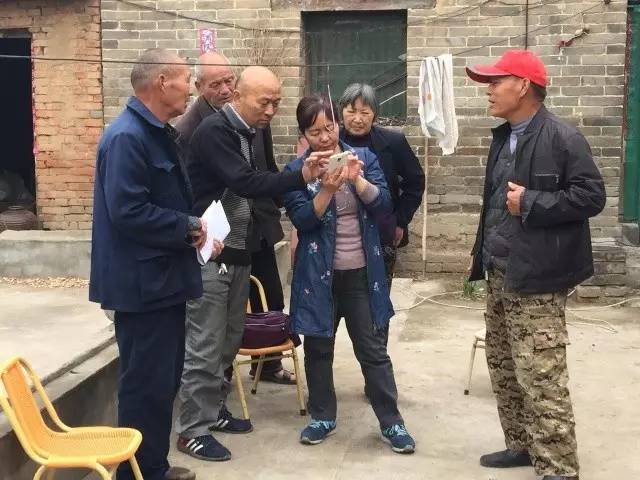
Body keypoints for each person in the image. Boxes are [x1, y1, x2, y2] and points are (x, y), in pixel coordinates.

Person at [466, 49, 606, 480]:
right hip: (500, 272)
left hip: (539, 279)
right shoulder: (502, 137)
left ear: (524, 86)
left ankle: (559, 468)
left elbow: (591, 196)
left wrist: (531, 202)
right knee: (504, 366)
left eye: (496, 82)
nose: (489, 90)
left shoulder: (563, 138)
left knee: (541, 376)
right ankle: (522, 446)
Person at [176, 66, 325, 461]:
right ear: (237, 96)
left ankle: (214, 410)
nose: (272, 110)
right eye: (265, 102)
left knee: (228, 342)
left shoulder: (252, 130)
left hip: (240, 251)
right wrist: (300, 176)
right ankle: (192, 430)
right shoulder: (215, 132)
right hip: (209, 254)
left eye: (277, 102)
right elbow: (245, 181)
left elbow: (265, 176)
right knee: (205, 346)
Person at [90, 48, 222, 480]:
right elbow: (127, 211)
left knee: (162, 382)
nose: (191, 88)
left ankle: (152, 466)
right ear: (162, 82)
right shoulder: (126, 138)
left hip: (164, 281)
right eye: (186, 78)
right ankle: (135, 475)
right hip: (141, 287)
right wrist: (188, 227)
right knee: (144, 385)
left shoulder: (158, 133)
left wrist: (198, 233)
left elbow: (164, 203)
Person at [282, 93, 416, 454]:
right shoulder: (296, 172)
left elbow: (383, 205)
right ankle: (322, 416)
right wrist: (325, 189)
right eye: (315, 132)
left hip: (360, 274)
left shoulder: (365, 158)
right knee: (318, 349)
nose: (325, 138)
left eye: (329, 128)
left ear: (337, 125)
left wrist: (357, 181)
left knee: (372, 350)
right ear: (303, 134)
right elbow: (303, 219)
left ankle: (392, 421)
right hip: (317, 279)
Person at [176, 52, 295, 385]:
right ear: (199, 87)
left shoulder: (255, 123)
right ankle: (213, 394)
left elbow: (266, 169)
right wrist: (300, 177)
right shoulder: (200, 129)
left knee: (263, 305)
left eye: (228, 80)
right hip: (215, 244)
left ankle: (263, 367)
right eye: (216, 84)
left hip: (254, 229)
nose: (225, 89)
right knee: (210, 337)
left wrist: (293, 203)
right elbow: (243, 180)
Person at [338, 83, 425, 286]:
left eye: (364, 113)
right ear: (341, 112)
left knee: (378, 294)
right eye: (351, 111)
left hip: (382, 232)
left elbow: (415, 182)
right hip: (340, 237)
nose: (357, 119)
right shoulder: (333, 142)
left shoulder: (393, 142)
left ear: (374, 114)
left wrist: (400, 221)